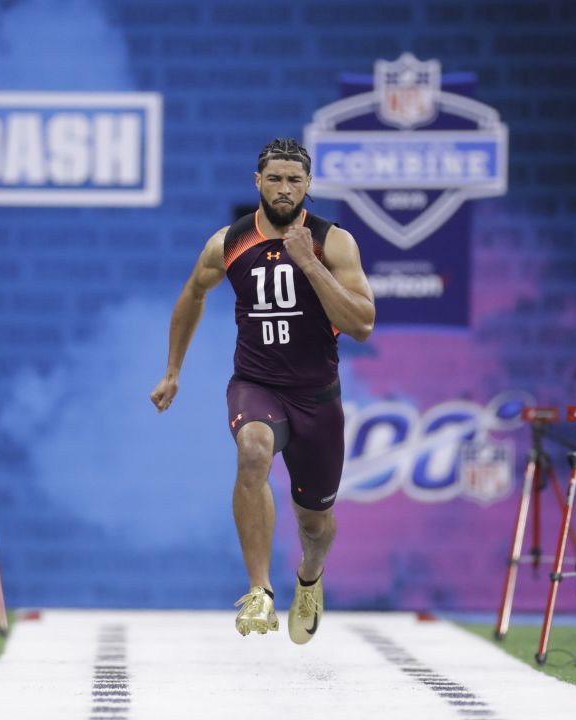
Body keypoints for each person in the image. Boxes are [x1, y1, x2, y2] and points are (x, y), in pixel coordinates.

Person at [150, 137, 375, 643]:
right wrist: (172, 370)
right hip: (256, 384)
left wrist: (310, 263)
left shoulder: (333, 241)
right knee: (252, 453)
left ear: (308, 185)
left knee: (315, 525)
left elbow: (362, 324)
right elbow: (193, 293)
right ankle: (259, 591)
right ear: (257, 182)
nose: (283, 188)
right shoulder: (227, 242)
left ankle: (309, 581)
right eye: (274, 178)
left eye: (294, 180)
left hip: (317, 396)